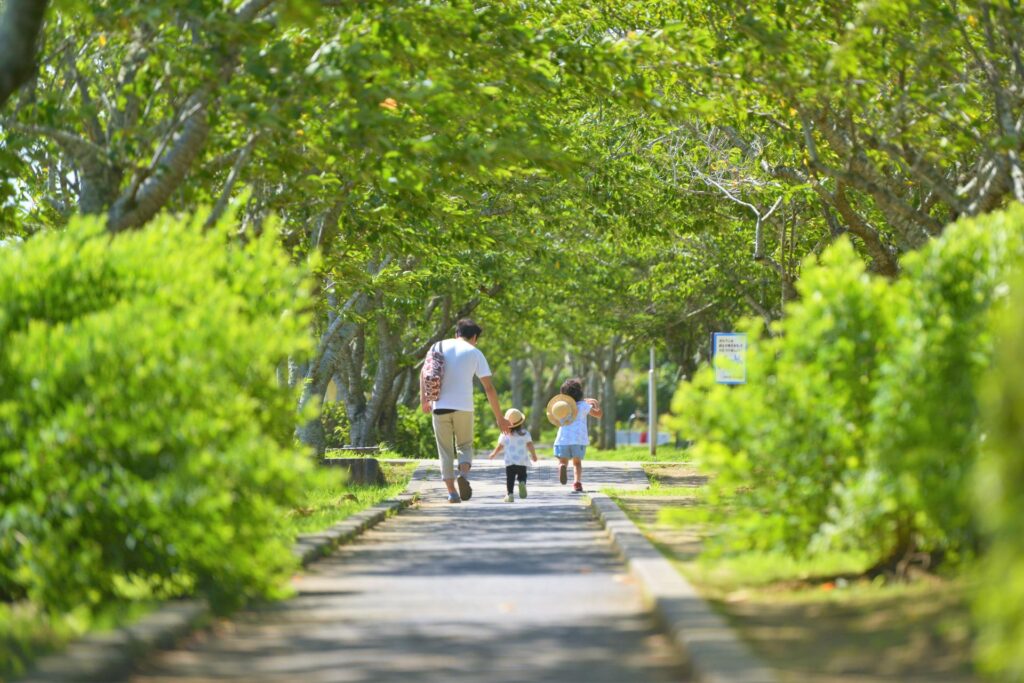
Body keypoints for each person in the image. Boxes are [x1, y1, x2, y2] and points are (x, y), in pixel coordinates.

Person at [421, 318, 511, 504]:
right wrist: (500, 418)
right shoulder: (475, 352)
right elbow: (489, 388)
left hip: (439, 405)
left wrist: (425, 399)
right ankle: (463, 474)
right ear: (475, 337)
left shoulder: (437, 346)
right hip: (464, 407)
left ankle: (452, 492)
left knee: (445, 451)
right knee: (464, 446)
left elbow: (425, 373)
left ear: (457, 333)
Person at [547, 378, 602, 493]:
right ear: (580, 393)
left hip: (563, 439)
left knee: (563, 461)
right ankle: (577, 483)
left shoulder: (562, 407)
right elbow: (598, 415)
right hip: (578, 440)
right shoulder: (583, 406)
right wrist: (595, 403)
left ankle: (562, 466)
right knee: (577, 463)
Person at [487, 408, 538, 503]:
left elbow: (500, 446)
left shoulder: (505, 434)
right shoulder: (526, 434)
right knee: (522, 475)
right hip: (522, 461)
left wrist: (494, 453)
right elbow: (530, 445)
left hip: (510, 462)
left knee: (510, 479)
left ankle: (510, 494)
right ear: (521, 422)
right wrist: (534, 455)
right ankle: (522, 482)